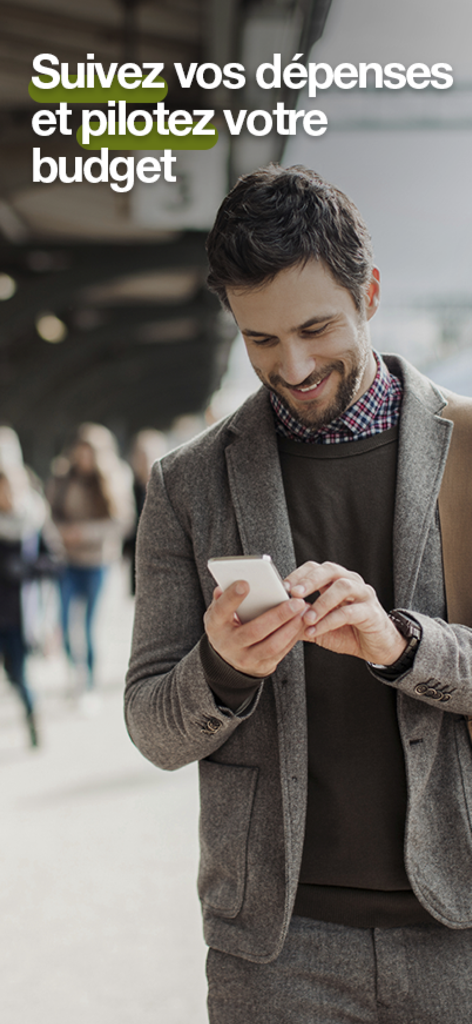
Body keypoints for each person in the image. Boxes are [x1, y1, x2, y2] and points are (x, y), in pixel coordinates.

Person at [125, 166, 472, 1023]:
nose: (295, 365)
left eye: (316, 328)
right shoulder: (187, 486)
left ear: (370, 292)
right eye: (262, 340)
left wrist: (404, 645)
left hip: (461, 926)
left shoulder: (471, 451)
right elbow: (153, 729)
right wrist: (220, 670)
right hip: (276, 951)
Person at [48, 423, 135, 706]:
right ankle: (74, 674)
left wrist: (83, 533)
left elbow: (122, 522)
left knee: (89, 626)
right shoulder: (62, 478)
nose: (83, 458)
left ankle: (89, 682)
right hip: (68, 560)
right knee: (64, 622)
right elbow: (50, 514)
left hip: (98, 562)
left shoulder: (113, 477)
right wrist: (62, 532)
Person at [0, 427, 61, 747]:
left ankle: (32, 716)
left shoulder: (33, 520)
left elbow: (53, 561)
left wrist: (25, 569)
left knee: (19, 675)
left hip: (18, 615)